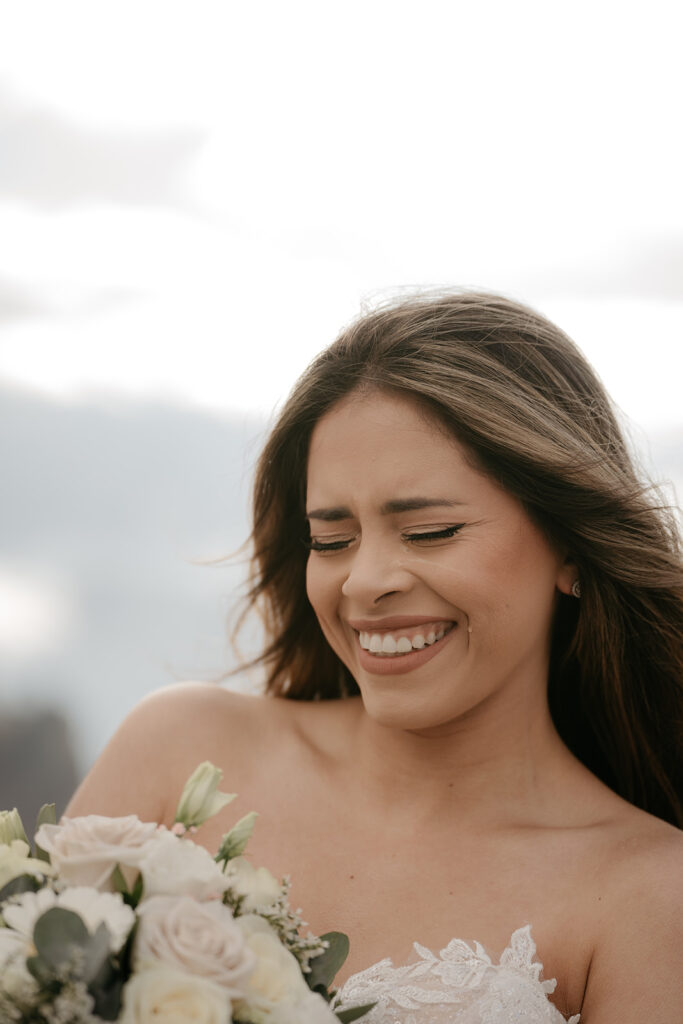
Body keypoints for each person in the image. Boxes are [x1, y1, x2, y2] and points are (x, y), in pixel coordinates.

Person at [67, 292, 683, 1022]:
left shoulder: (646, 894)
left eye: (428, 532)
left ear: (570, 544)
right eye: (332, 540)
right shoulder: (182, 750)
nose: (363, 582)